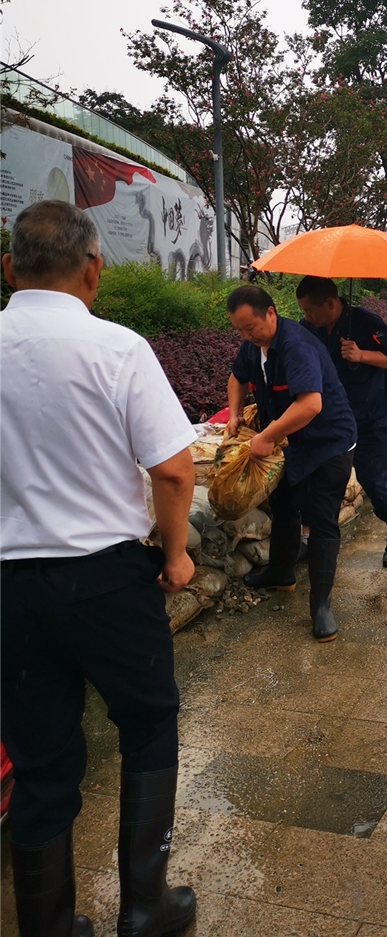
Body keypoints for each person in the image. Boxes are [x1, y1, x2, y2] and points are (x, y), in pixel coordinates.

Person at [1, 200, 198, 937]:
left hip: (12, 587)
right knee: (147, 724)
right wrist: (175, 556)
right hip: (109, 580)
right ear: (93, 270)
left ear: (8, 267)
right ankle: (145, 908)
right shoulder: (118, 349)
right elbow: (174, 472)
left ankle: (47, 929)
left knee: (41, 761)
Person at [226, 285, 357, 639]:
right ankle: (281, 574)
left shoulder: (296, 346)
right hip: (290, 442)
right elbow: (237, 378)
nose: (246, 335)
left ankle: (321, 605)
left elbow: (310, 405)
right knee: (284, 507)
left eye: (250, 327)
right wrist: (235, 414)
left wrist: (266, 437)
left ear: (271, 313)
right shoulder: (254, 345)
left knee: (322, 519)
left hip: (328, 442)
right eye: (239, 330)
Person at [294, 277, 387, 568]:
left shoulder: (367, 321)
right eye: (304, 312)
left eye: (310, 311)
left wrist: (361, 354)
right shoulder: (309, 328)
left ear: (330, 304)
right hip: (330, 417)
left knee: (373, 477)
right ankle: (308, 538)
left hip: (370, 414)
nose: (306, 317)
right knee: (316, 477)